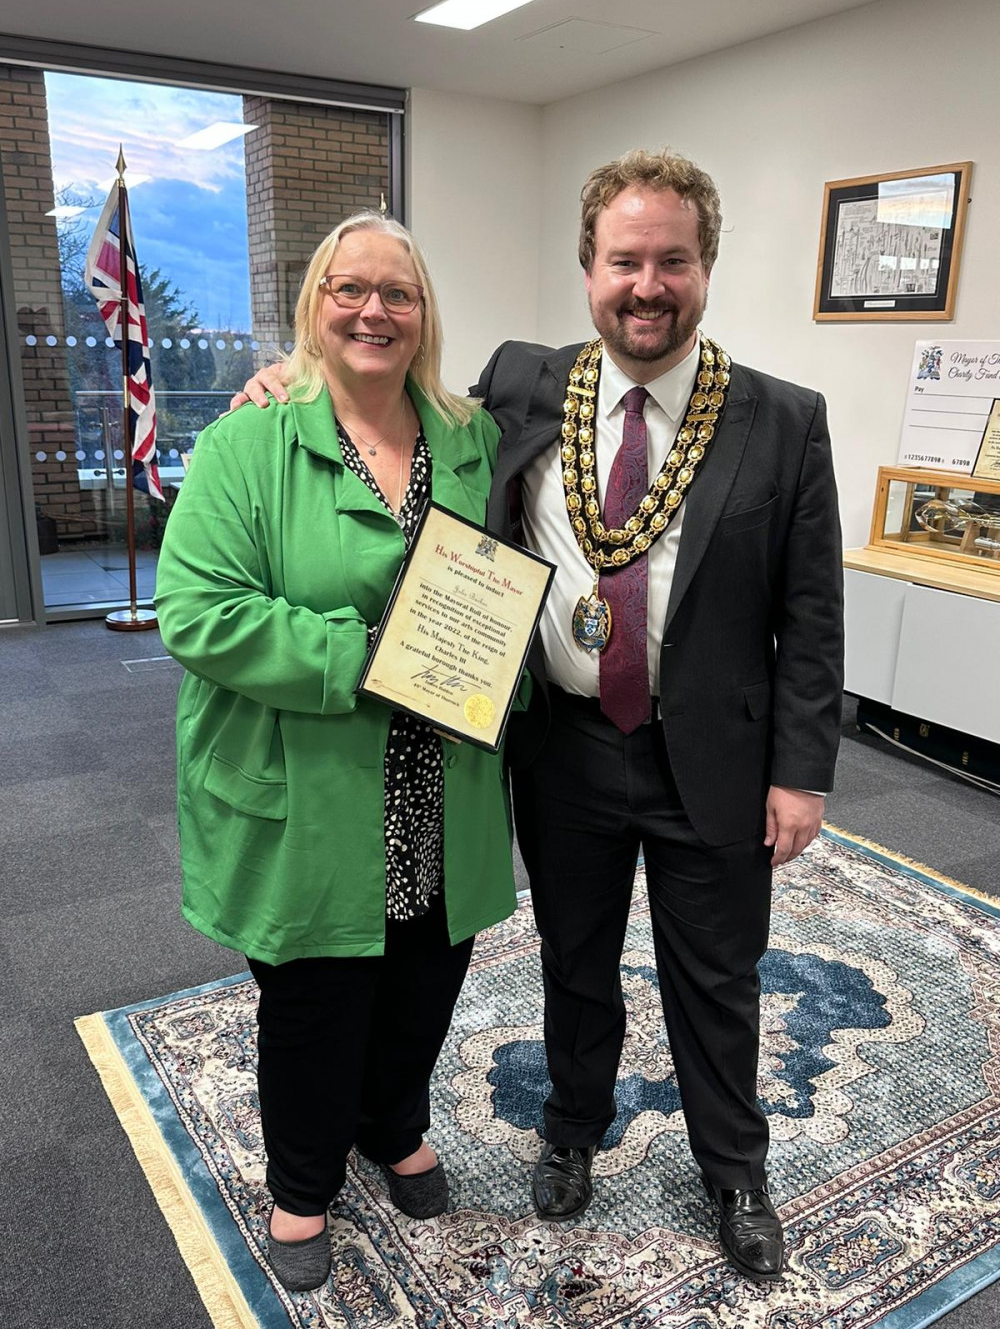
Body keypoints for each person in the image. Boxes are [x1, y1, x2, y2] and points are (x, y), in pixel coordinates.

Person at [231, 148, 844, 1283]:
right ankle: (570, 1130)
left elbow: (811, 615)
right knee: (575, 958)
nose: (645, 285)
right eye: (624, 260)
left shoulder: (782, 420)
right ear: (588, 269)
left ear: (705, 268)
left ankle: (734, 1171)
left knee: (717, 974)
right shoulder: (521, 384)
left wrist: (801, 772)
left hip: (710, 750)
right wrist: (287, 373)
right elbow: (377, 373)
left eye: (671, 261)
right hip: (560, 743)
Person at [156, 210, 524, 1294]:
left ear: (425, 314)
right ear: (314, 306)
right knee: (316, 994)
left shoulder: (471, 437)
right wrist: (358, 651)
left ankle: (392, 1123)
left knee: (425, 970)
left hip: (438, 777)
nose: (374, 310)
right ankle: (302, 1181)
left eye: (397, 293)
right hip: (313, 777)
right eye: (347, 289)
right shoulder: (247, 442)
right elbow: (196, 610)